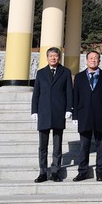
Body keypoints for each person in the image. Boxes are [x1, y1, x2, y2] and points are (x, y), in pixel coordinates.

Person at [31, 47, 73, 183]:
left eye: (55, 56)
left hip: (58, 112)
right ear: (47, 57)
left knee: (57, 145)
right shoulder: (41, 73)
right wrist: (34, 111)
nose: (53, 58)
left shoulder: (65, 72)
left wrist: (69, 109)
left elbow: (69, 92)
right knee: (43, 146)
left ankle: (55, 171)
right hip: (43, 112)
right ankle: (43, 172)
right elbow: (36, 93)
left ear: (59, 57)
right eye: (51, 56)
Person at [71, 50, 102, 182]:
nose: (93, 60)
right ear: (86, 60)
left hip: (100, 114)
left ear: (99, 61)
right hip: (84, 114)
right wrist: (75, 116)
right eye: (91, 58)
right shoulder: (79, 77)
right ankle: (82, 171)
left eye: (96, 58)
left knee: (101, 145)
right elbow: (75, 97)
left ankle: (101, 171)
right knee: (84, 145)